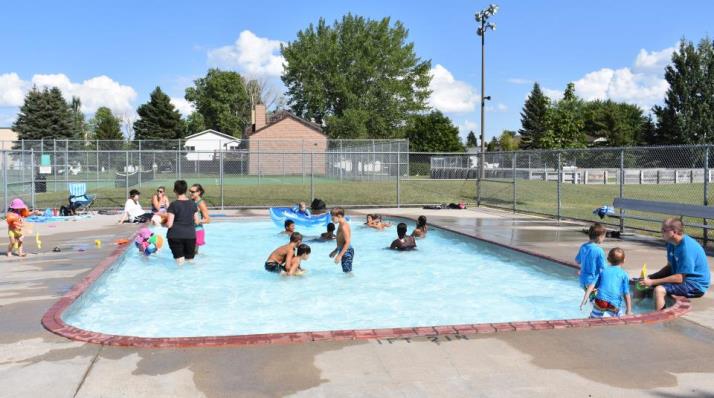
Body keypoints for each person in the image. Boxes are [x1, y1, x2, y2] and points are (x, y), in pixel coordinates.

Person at [640, 218, 711, 310]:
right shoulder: (671, 243)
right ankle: (637, 307)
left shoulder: (686, 249)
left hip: (695, 284)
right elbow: (669, 267)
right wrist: (650, 277)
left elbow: (679, 278)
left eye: (664, 230)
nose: (661, 232)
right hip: (683, 278)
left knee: (659, 290)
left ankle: (659, 319)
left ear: (674, 232)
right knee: (642, 282)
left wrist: (653, 282)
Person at [580, 248, 632, 318]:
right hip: (614, 303)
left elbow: (592, 285)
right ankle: (621, 317)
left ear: (608, 259)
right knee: (619, 316)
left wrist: (585, 299)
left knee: (593, 319)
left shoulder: (602, 271)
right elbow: (626, 293)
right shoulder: (624, 274)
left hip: (601, 301)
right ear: (624, 261)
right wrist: (628, 310)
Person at [165, 180, 199, 265]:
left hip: (175, 236)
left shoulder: (173, 205)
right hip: (190, 236)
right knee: (190, 262)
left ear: (175, 190)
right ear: (186, 190)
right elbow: (197, 221)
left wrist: (162, 224)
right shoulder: (193, 204)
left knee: (180, 263)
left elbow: (169, 224)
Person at [575, 223, 607, 290]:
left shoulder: (583, 246)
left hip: (583, 281)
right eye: (604, 236)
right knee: (597, 298)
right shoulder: (599, 251)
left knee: (590, 298)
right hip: (593, 283)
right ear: (599, 237)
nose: (604, 238)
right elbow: (604, 267)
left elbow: (577, 261)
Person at [329, 207, 353, 273]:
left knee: (347, 272)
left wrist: (339, 256)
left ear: (339, 216)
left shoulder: (344, 226)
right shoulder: (340, 225)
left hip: (346, 251)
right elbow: (341, 241)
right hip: (343, 250)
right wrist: (336, 251)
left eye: (332, 217)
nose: (331, 219)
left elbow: (347, 242)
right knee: (346, 271)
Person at [190, 184, 211, 255]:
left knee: (192, 254)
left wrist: (198, 221)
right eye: (190, 191)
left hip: (197, 231)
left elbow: (208, 220)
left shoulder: (201, 203)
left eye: (193, 192)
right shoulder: (192, 201)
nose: (190, 193)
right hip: (190, 230)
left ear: (199, 192)